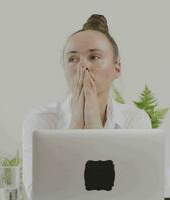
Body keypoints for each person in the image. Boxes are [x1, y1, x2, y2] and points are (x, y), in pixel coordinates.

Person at [22, 14, 151, 199]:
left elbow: (126, 194)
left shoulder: (135, 121)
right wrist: (76, 122)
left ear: (117, 69)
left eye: (94, 57)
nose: (82, 66)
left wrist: (94, 125)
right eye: (72, 59)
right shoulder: (41, 121)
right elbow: (39, 194)